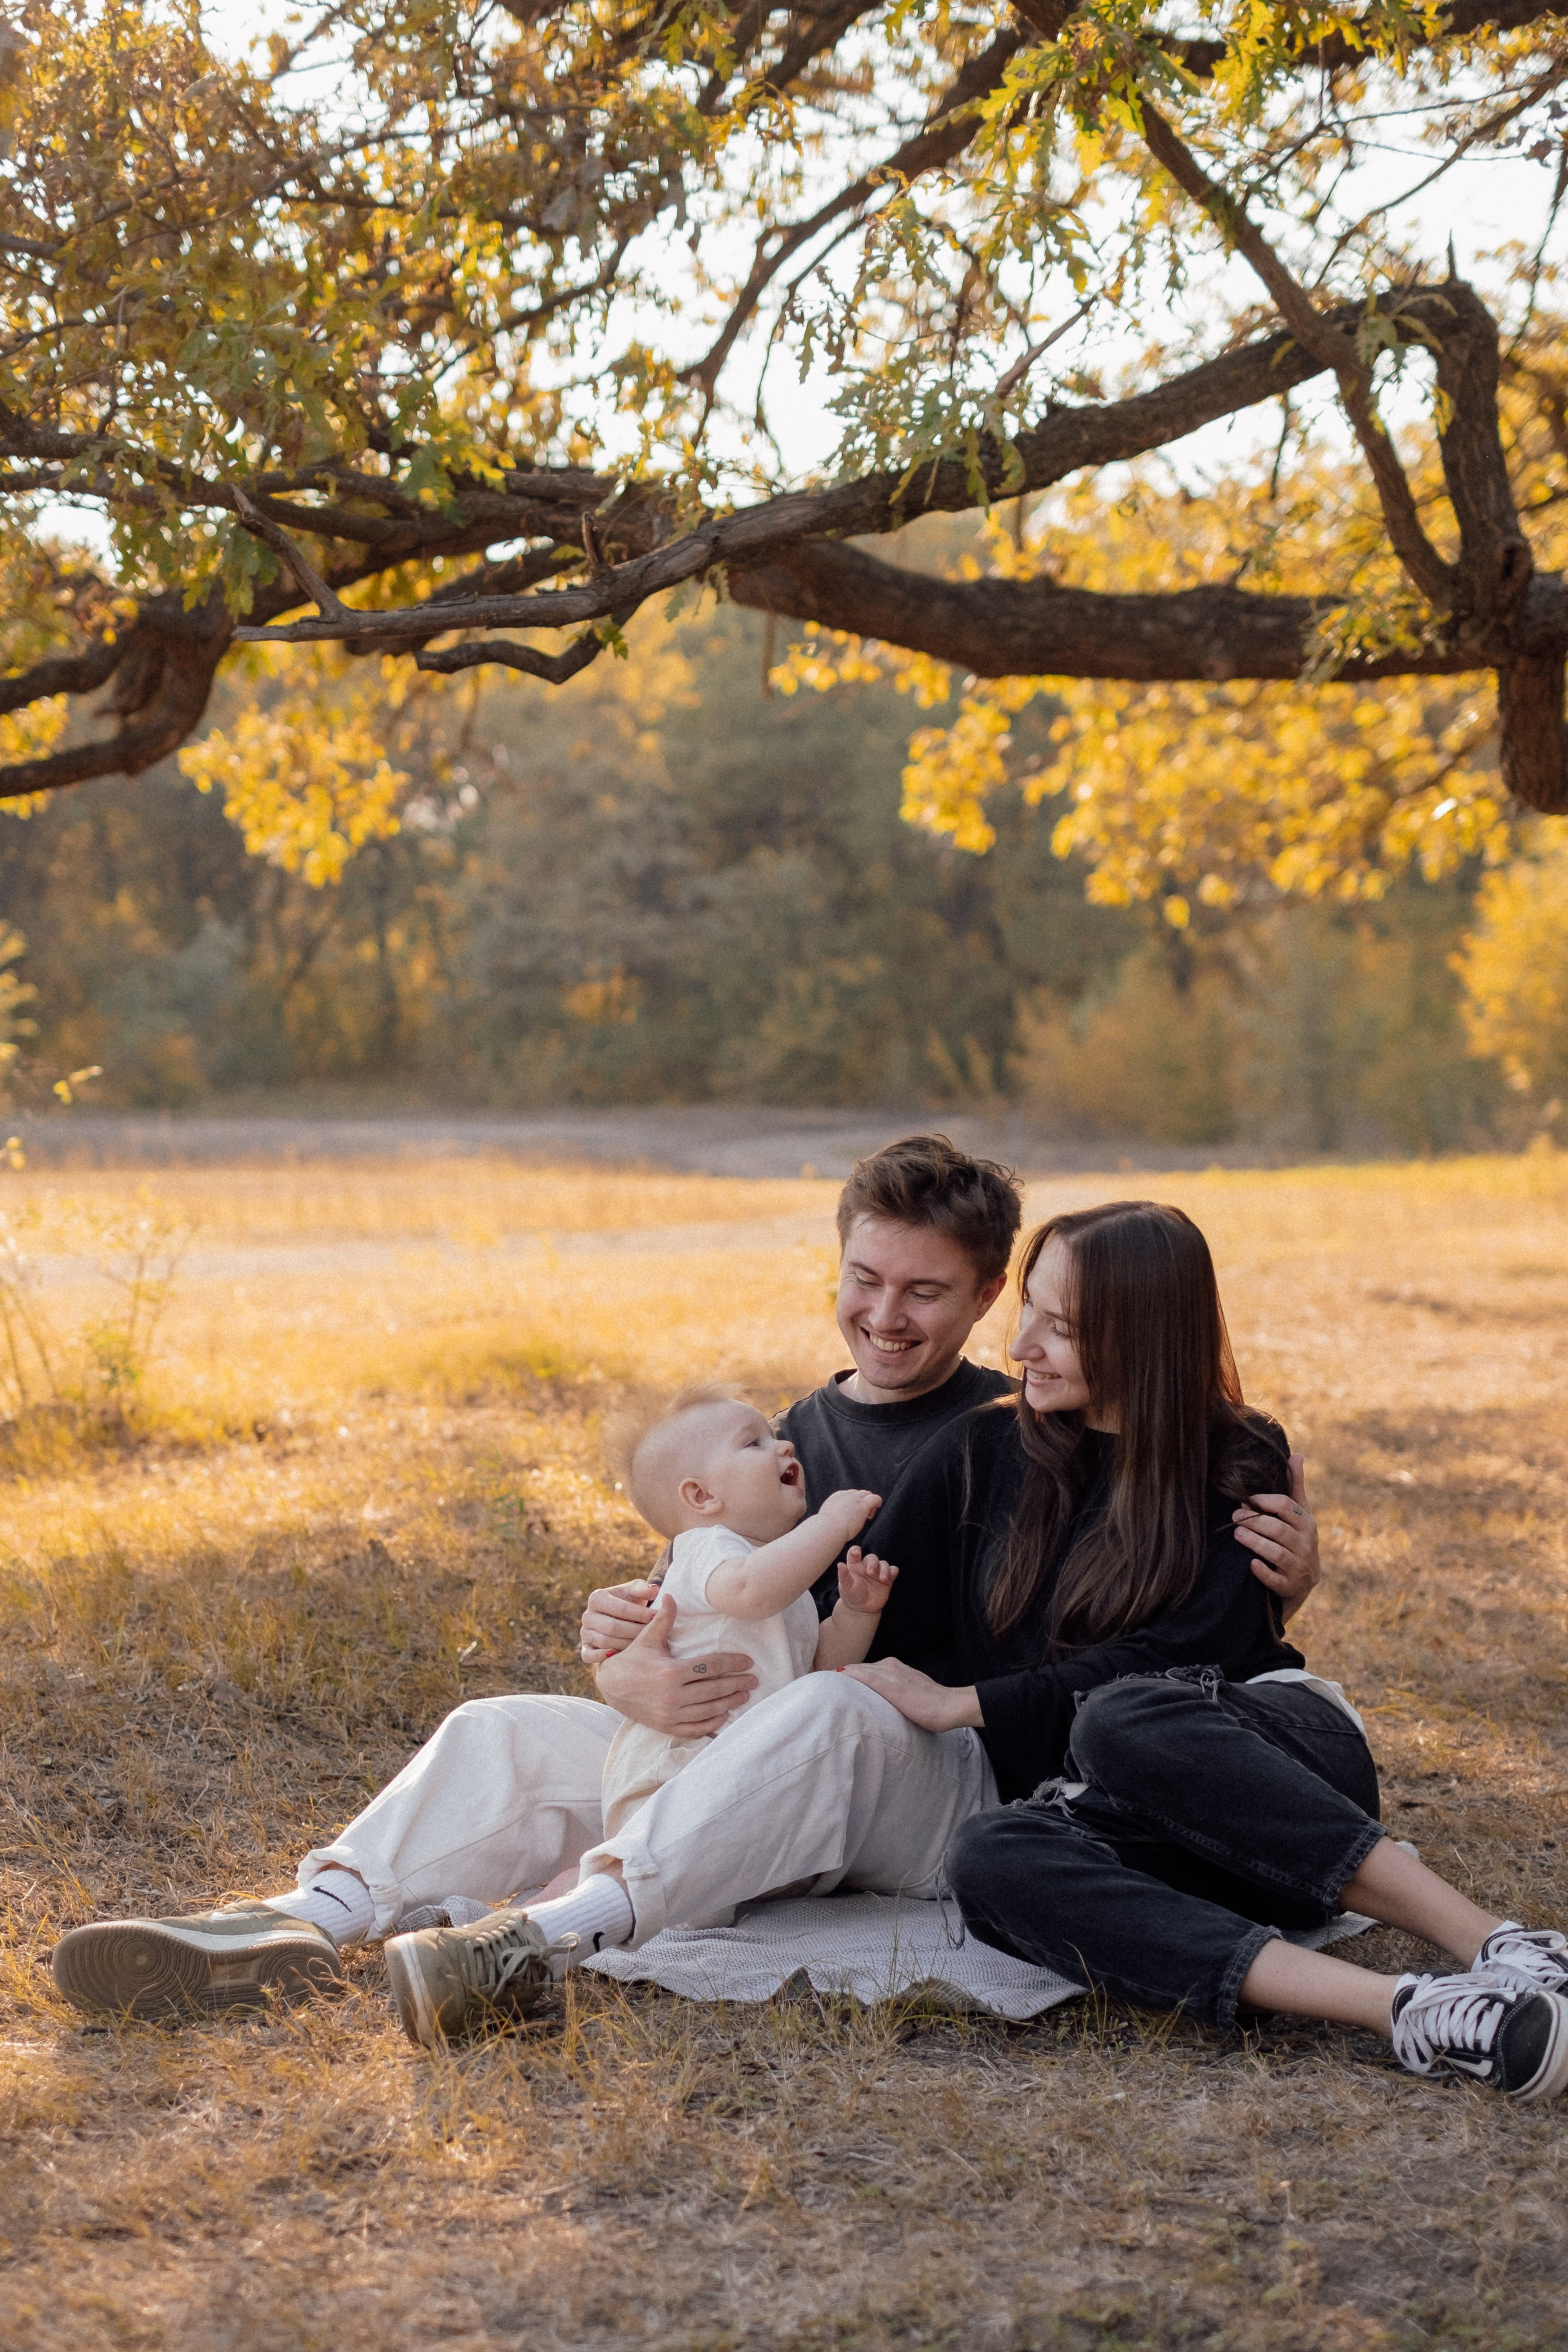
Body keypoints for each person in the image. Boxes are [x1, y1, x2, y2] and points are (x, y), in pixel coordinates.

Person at [49, 1137, 1321, 2027]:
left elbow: (1168, 1627)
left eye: (926, 1292)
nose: (885, 1315)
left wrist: (1274, 1592)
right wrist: (627, 1661)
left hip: (918, 1780)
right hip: (760, 1740)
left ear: (986, 1299)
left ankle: (546, 1935)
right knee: (499, 1729)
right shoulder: (781, 1444)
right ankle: (302, 1917)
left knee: (833, 1713)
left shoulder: (1012, 1436)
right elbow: (694, 1596)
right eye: (864, 1281)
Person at [840, 1203, 1568, 2102]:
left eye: (1061, 1327)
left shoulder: (1236, 1451)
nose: (1023, 1343)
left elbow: (1200, 1653)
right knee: (990, 1856)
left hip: (1273, 1774)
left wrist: (976, 1705)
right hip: (1131, 1823)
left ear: (1147, 1336)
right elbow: (854, 1595)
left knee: (1127, 1713)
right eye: (1027, 1309)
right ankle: (1414, 2014)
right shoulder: (978, 1449)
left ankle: (1500, 1944)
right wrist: (688, 1594)